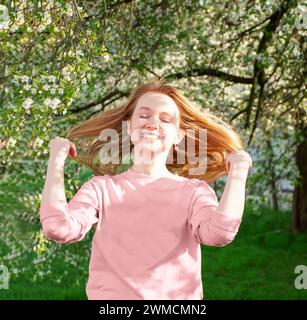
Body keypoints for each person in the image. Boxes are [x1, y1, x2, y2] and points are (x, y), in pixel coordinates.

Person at [39, 79, 252, 300]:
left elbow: (220, 233)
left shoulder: (195, 192)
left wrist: (238, 172)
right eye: (144, 115)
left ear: (179, 135)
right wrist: (56, 160)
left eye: (166, 119)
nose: (152, 123)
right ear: (129, 126)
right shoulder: (101, 189)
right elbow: (58, 228)